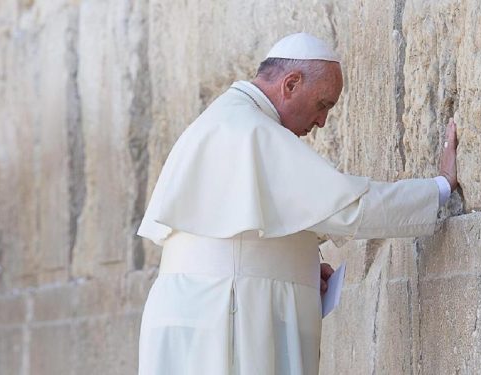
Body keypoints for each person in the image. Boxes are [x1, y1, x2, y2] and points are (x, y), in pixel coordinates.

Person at [136, 32, 459, 375]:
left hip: (202, 310)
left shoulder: (224, 120)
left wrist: (293, 262)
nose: (321, 122)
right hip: (228, 315)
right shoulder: (252, 130)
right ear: (290, 84)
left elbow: (233, 240)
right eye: (323, 105)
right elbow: (348, 208)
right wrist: (438, 187)